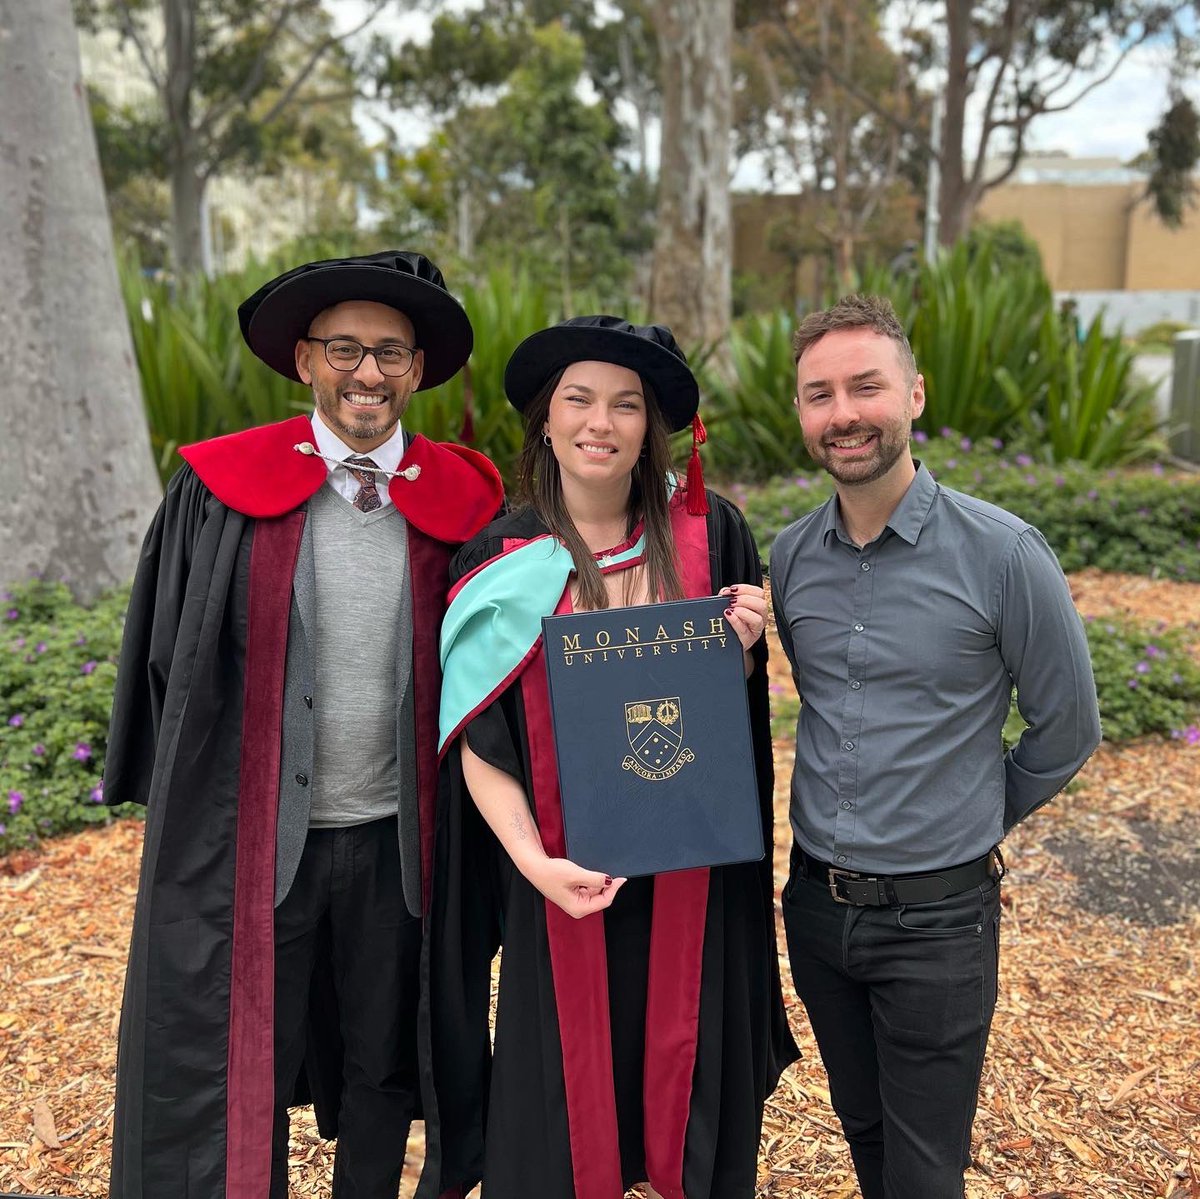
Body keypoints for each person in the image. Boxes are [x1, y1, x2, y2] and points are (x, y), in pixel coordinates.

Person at [105, 251, 504, 1199]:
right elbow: (170, 660)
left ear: (417, 369)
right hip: (258, 847)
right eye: (345, 350)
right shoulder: (220, 490)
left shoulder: (468, 501)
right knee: (238, 1062)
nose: (368, 373)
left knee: (384, 1059)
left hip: (402, 845)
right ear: (303, 362)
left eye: (391, 353)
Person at [420, 316, 798, 1199]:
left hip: (691, 887)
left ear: (651, 429)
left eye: (626, 404)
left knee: (691, 1111)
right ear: (545, 422)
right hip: (560, 887)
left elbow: (731, 709)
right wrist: (532, 863)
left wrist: (741, 648)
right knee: (560, 1128)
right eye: (578, 399)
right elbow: (479, 736)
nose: (601, 421)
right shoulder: (501, 558)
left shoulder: (710, 537)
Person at [770, 294, 1102, 1199]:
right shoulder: (793, 555)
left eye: (865, 385)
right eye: (820, 393)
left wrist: (966, 813)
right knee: (865, 1132)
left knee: (924, 1169)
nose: (844, 413)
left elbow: (1067, 726)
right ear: (801, 413)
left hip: (939, 922)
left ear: (913, 394)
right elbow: (823, 696)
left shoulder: (1004, 553)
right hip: (817, 908)